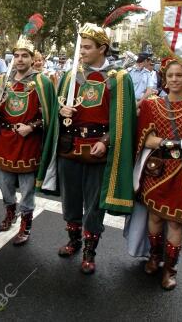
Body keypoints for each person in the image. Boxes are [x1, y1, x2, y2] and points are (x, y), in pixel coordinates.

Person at [56, 23, 135, 274]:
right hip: (71, 147)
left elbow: (124, 118)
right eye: (81, 47)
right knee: (70, 199)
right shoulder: (71, 76)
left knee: (93, 204)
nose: (82, 52)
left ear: (102, 48)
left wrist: (107, 140)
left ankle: (90, 251)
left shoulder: (119, 78)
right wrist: (62, 111)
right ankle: (73, 241)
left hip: (98, 150)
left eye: (87, 48)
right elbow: (58, 112)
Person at [0, 37, 57, 244]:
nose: (19, 59)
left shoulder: (41, 82)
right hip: (5, 142)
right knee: (5, 185)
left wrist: (32, 127)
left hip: (28, 144)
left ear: (32, 58)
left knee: (27, 190)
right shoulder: (4, 81)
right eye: (17, 55)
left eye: (24, 56)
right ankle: (10, 214)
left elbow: (49, 115)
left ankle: (26, 226)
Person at [134, 58, 182, 290]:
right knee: (154, 217)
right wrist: (179, 142)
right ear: (164, 79)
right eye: (170, 76)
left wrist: (175, 145)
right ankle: (154, 258)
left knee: (175, 223)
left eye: (179, 75)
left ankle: (170, 269)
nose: (174, 79)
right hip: (156, 170)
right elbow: (146, 139)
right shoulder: (152, 105)